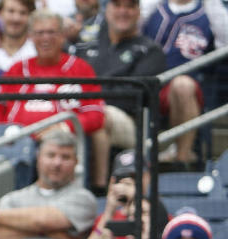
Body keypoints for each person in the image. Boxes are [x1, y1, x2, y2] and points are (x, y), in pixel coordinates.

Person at [73, 0, 167, 193]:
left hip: (131, 124)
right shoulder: (86, 45)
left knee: (101, 115)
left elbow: (132, 96)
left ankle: (98, 189)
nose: (123, 11)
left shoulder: (150, 50)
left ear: (139, 12)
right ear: (106, 10)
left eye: (130, 6)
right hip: (84, 110)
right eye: (117, 5)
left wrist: (93, 96)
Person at [0, 129, 98, 239]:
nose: (57, 163)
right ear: (38, 157)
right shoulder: (13, 199)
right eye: (51, 155)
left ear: (76, 162)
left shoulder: (83, 198)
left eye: (65, 157)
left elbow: (41, 221)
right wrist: (51, 233)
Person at [0, 10, 105, 137]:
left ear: (63, 36)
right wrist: (0, 134)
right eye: (39, 33)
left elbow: (95, 114)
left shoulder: (81, 69)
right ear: (31, 37)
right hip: (16, 144)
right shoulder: (17, 70)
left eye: (51, 32)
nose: (45, 38)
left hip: (63, 144)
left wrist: (63, 128)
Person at [142, 0, 228, 164]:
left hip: (191, 86)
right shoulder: (154, 8)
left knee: (182, 85)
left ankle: (181, 160)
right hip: (149, 82)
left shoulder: (208, 11)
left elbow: (225, 41)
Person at [0, 0, 36, 71]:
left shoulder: (38, 51)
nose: (16, 19)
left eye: (23, 13)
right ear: (0, 13)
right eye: (11, 11)